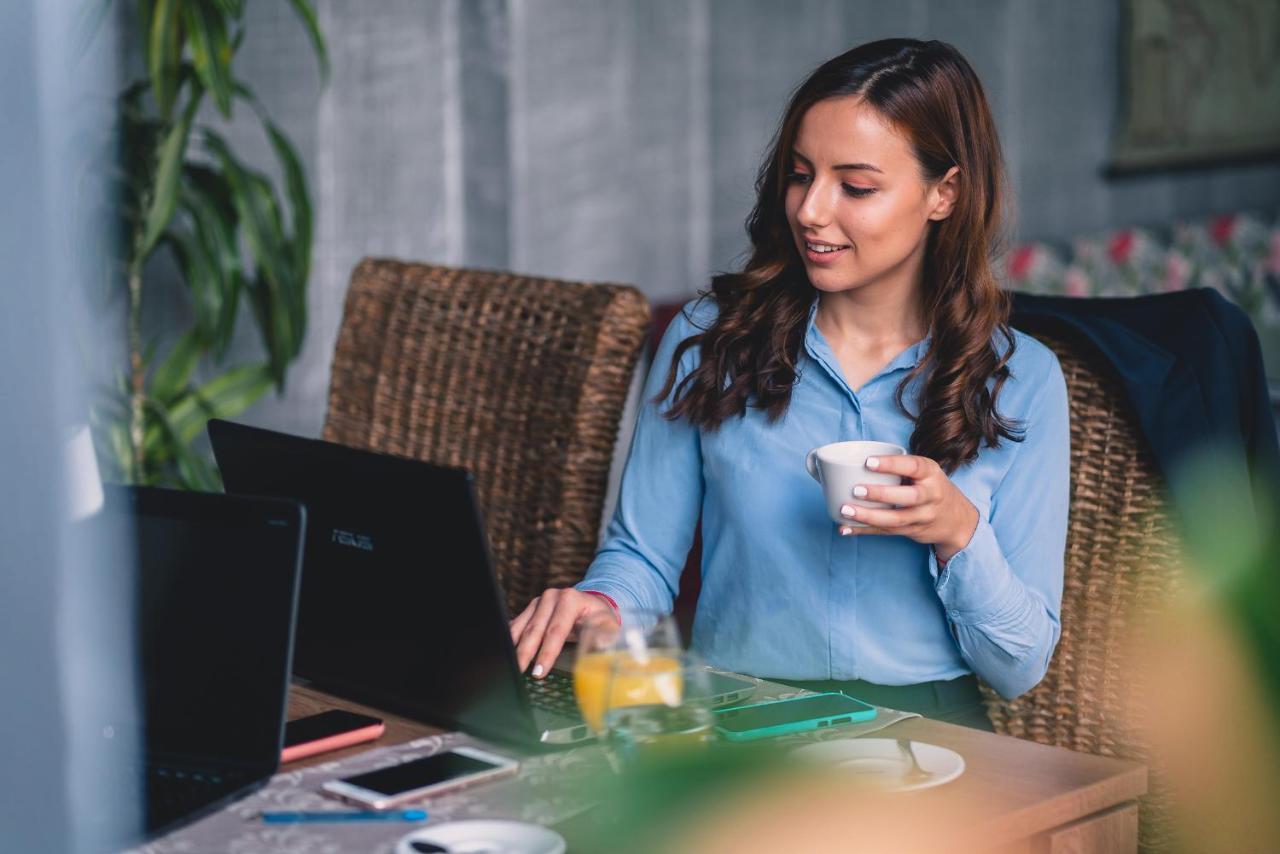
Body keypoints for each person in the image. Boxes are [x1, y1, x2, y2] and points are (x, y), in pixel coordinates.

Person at [509, 38, 1069, 731]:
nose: (809, 210)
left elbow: (1019, 665)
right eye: (801, 176)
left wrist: (958, 531)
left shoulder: (1023, 379)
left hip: (930, 732)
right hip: (738, 714)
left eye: (855, 186)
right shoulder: (707, 341)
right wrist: (606, 605)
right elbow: (642, 557)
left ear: (943, 194)